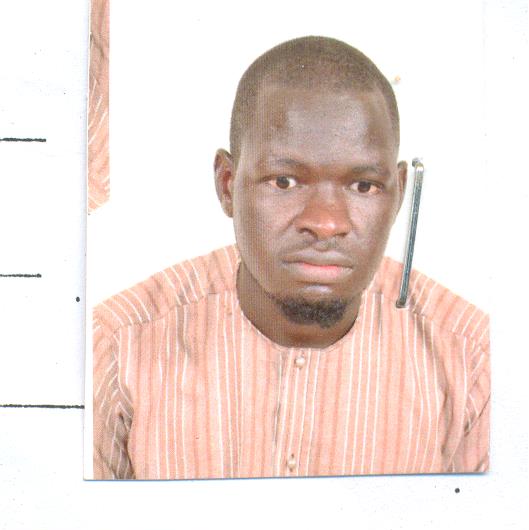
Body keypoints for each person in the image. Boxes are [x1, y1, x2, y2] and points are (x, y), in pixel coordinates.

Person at [92, 36, 490, 480]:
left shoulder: (473, 359)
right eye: (284, 181)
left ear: (398, 194)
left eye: (363, 186)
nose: (326, 223)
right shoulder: (115, 347)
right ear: (227, 184)